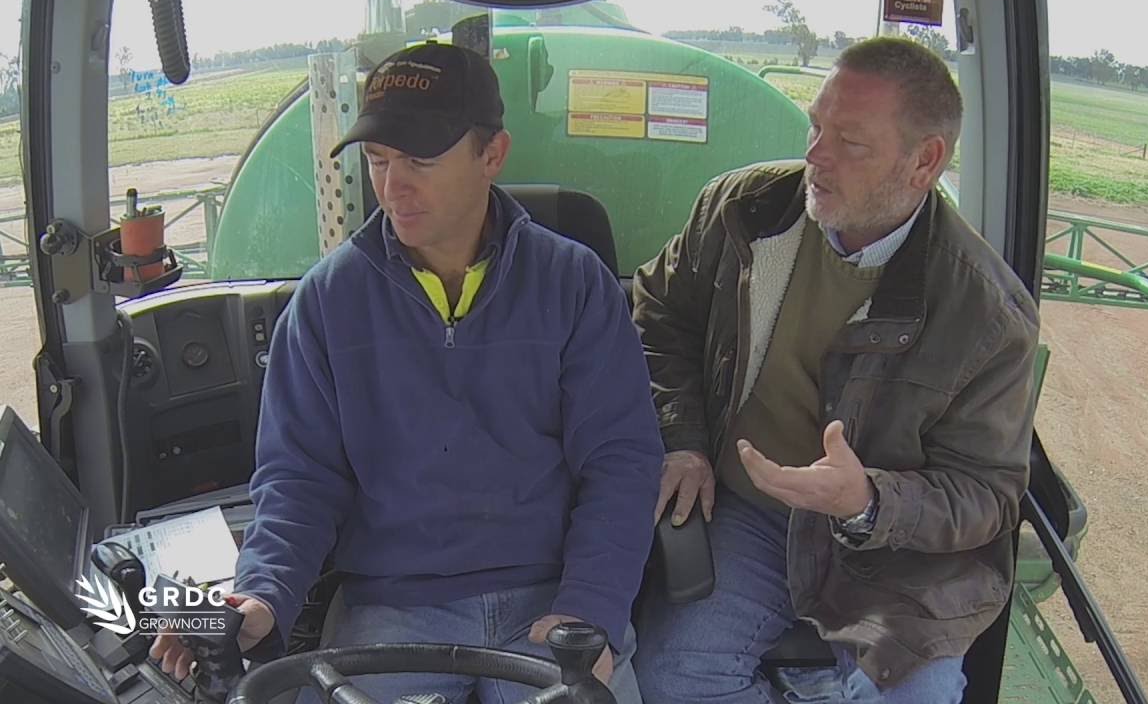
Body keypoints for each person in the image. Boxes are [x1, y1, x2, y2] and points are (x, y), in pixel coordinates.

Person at [150, 43, 662, 704]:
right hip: (392, 610)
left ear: (493, 155)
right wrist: (261, 592)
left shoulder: (573, 285)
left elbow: (621, 462)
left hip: (552, 604)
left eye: (420, 160)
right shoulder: (329, 303)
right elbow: (299, 478)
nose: (393, 186)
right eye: (378, 160)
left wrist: (589, 609)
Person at [630, 37, 1041, 703]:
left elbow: (988, 496)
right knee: (675, 678)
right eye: (815, 125)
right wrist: (684, 438)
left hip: (898, 557)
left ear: (924, 161)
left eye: (848, 141)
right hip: (752, 511)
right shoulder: (742, 212)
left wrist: (869, 500)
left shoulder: (988, 315)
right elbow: (658, 316)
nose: (815, 154)